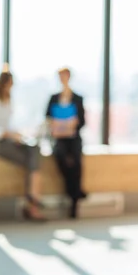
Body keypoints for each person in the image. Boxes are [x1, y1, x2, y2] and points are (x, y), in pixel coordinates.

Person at [0, 68, 46, 222]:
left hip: (10, 139)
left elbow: (8, 125)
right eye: (10, 84)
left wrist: (18, 134)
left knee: (34, 148)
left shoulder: (9, 101)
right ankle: (33, 201)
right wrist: (8, 134)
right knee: (32, 161)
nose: (11, 87)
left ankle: (33, 198)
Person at [46, 67, 87, 219]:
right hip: (58, 138)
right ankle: (75, 191)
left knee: (76, 161)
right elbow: (48, 118)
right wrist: (59, 125)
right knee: (61, 157)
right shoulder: (54, 98)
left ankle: (74, 200)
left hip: (73, 137)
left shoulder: (77, 98)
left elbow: (82, 121)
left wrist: (72, 124)